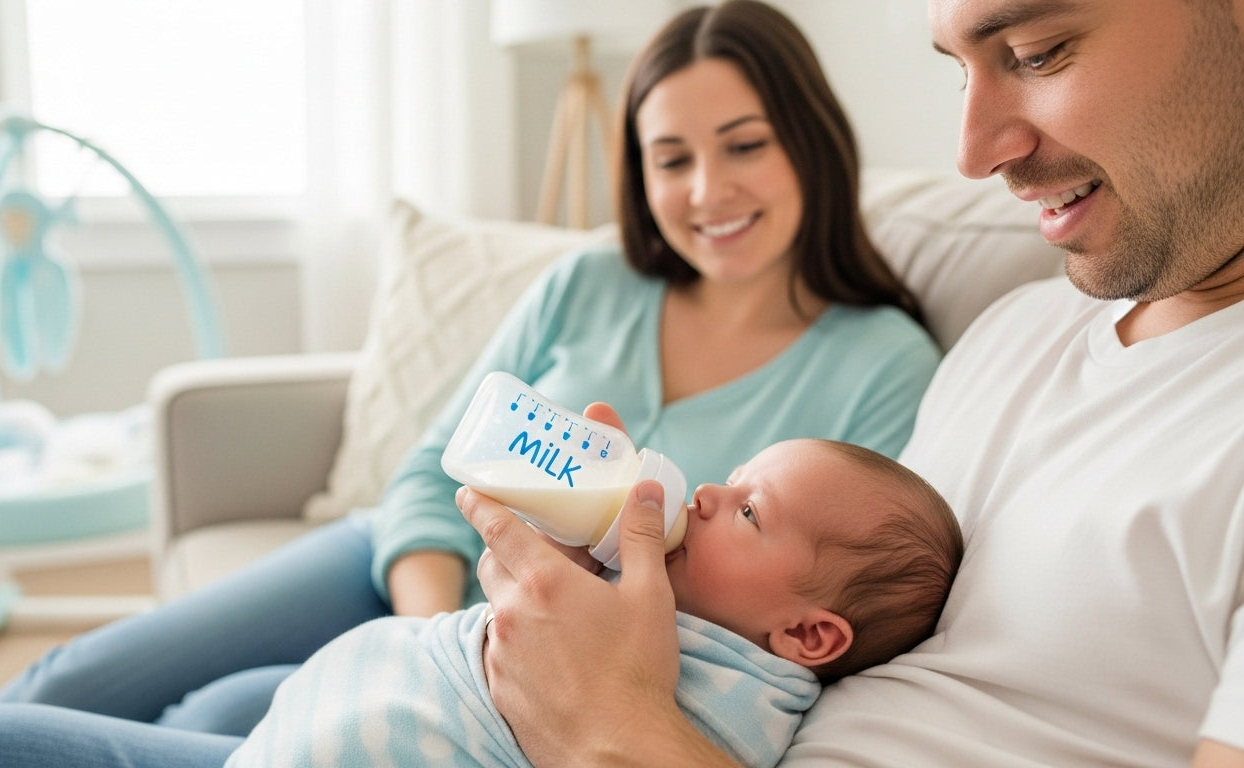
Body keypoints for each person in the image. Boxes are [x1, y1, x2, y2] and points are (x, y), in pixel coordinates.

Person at [0, 1, 941, 765]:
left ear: (810, 145)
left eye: (742, 145)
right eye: (670, 158)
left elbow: (829, 605)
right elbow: (434, 464)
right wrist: (437, 623)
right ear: (640, 173)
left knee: (227, 707)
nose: (707, 190)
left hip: (547, 657)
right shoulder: (592, 281)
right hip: (411, 573)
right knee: (66, 682)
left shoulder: (881, 360)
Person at [461, 0, 1244, 766]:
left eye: (1038, 53)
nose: (972, 153)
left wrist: (608, 726)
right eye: (960, 76)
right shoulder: (1014, 334)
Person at [223, 438, 964, 768]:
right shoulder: (681, 605)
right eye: (734, 478)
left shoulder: (736, 705)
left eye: (749, 512)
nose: (707, 494)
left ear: (806, 634)